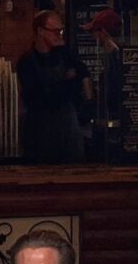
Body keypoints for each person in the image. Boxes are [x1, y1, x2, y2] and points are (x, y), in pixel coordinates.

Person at [15, 9, 90, 163]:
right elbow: (38, 98)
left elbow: (82, 72)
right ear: (40, 31)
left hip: (68, 130)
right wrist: (67, 82)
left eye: (61, 31)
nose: (59, 35)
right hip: (40, 132)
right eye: (56, 31)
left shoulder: (65, 54)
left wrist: (64, 86)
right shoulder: (27, 62)